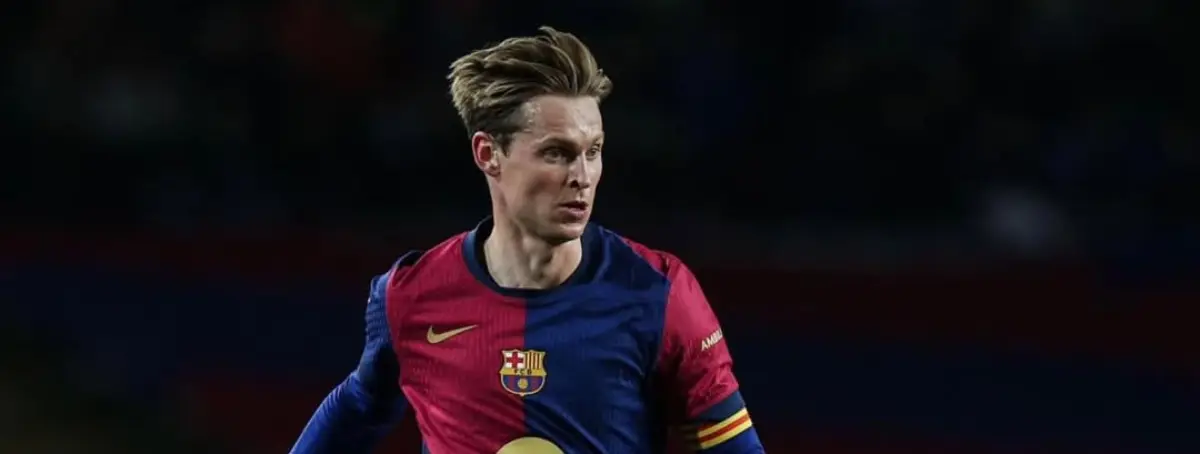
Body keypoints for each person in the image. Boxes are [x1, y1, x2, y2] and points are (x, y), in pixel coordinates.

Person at [290, 26, 764, 454]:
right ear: (488, 154)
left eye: (593, 151)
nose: (582, 176)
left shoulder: (659, 293)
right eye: (556, 153)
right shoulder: (410, 296)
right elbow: (359, 404)